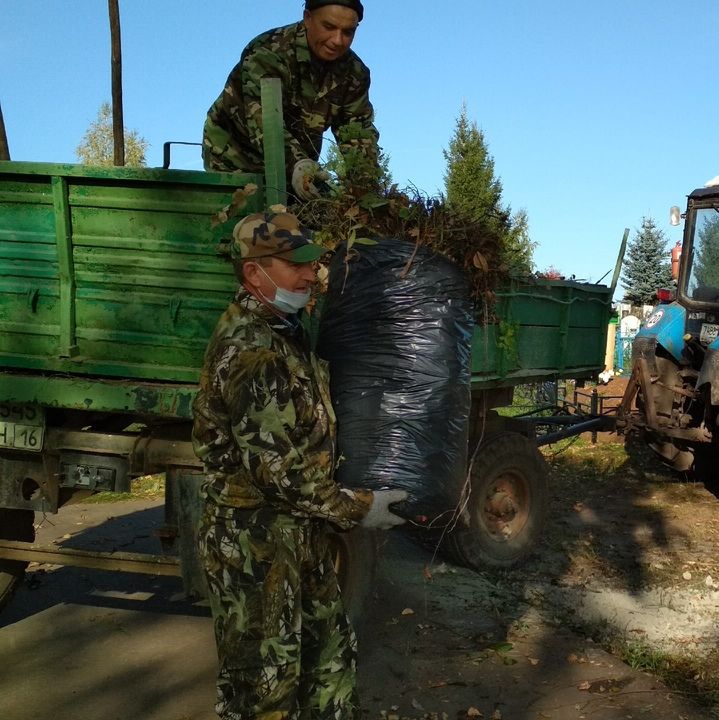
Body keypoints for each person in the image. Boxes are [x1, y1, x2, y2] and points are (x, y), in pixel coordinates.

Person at [193, 206, 406, 719]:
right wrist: (360, 508)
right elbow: (283, 473)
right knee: (265, 689)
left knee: (328, 666)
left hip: (299, 535)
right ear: (254, 272)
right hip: (257, 545)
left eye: (312, 263)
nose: (312, 274)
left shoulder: (283, 330)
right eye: (297, 266)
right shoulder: (250, 350)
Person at [203, 0, 380, 198]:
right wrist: (300, 166)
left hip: (298, 167)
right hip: (236, 158)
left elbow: (358, 132)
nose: (337, 40)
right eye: (328, 27)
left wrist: (367, 188)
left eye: (348, 32)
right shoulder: (268, 52)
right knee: (253, 222)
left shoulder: (354, 73)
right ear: (308, 18)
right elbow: (264, 123)